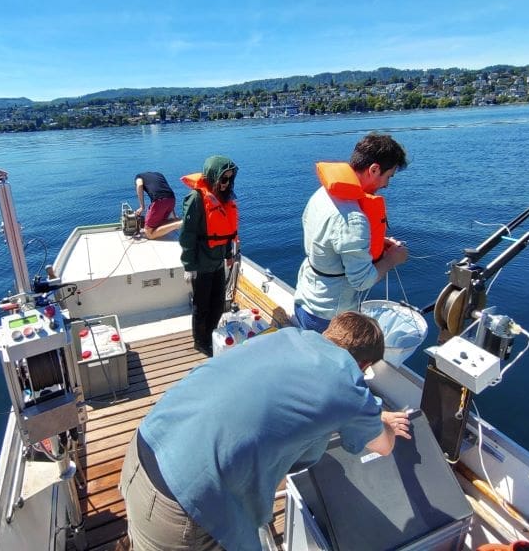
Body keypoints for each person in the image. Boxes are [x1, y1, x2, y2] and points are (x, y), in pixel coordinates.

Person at [119, 311, 412, 551]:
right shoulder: (347, 382)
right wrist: (384, 423)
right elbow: (383, 445)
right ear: (364, 366)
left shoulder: (286, 337)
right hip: (184, 505)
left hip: (144, 449)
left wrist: (370, 412)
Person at [294, 132, 410, 333]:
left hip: (305, 300)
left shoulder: (323, 193)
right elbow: (362, 281)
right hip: (328, 318)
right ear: (374, 169)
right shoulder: (354, 218)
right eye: (388, 176)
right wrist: (393, 259)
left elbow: (332, 239)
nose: (387, 185)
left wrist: (374, 241)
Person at [179, 155, 238, 355]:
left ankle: (212, 335)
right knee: (201, 306)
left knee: (218, 303)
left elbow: (227, 229)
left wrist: (229, 253)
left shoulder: (224, 197)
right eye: (223, 179)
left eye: (230, 179)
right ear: (213, 177)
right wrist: (189, 266)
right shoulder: (195, 199)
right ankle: (200, 341)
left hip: (218, 262)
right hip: (201, 264)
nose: (226, 184)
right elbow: (187, 235)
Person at [134, 171, 182, 239]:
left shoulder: (138, 176)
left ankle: (179, 224)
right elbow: (166, 191)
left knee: (148, 233)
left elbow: (139, 185)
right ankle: (177, 221)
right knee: (159, 223)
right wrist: (174, 216)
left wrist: (142, 206)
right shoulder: (159, 175)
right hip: (172, 199)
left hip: (159, 201)